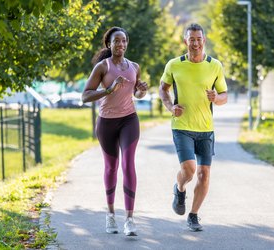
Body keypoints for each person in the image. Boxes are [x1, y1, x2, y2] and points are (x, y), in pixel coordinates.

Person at [159, 23, 228, 231]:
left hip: (206, 128)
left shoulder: (215, 65)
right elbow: (163, 88)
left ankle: (194, 215)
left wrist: (216, 97)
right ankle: (179, 188)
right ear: (185, 41)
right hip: (182, 126)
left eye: (199, 39)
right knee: (189, 170)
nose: (195, 43)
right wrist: (171, 106)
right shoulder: (174, 65)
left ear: (204, 40)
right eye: (191, 39)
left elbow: (224, 96)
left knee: (204, 174)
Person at [82, 26, 148, 236]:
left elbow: (136, 93)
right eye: (116, 41)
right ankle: (111, 216)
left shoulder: (134, 66)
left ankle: (129, 219)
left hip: (129, 120)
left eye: (123, 41)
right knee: (111, 168)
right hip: (107, 123)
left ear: (127, 43)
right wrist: (109, 90)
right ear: (109, 44)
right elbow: (85, 95)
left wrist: (141, 90)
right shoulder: (103, 67)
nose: (120, 44)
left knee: (128, 165)